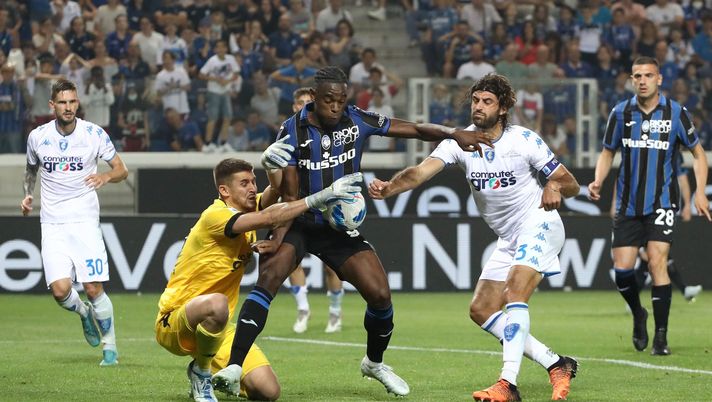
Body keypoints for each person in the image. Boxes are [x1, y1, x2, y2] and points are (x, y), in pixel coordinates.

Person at [212, 66, 492, 397]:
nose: (335, 107)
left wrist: (453, 132)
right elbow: (288, 194)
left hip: (338, 227)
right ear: (314, 98)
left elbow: (414, 129)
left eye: (341, 100)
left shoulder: (356, 119)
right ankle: (233, 366)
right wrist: (276, 238)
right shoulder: (291, 131)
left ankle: (374, 363)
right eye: (329, 100)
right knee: (269, 277)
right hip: (302, 222)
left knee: (380, 295)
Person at [369, 73, 580, 401]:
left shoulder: (523, 140)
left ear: (503, 108)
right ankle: (557, 364)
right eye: (476, 100)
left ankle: (507, 385)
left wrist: (553, 185)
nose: (478, 107)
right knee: (481, 309)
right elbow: (420, 172)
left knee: (514, 294)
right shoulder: (459, 141)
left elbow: (570, 183)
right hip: (509, 237)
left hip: (540, 223)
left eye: (487, 102)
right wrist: (389, 187)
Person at [155, 153, 362, 402]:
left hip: (217, 327)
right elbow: (271, 217)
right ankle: (202, 373)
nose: (252, 188)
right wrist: (320, 197)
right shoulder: (215, 215)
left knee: (268, 391)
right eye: (244, 183)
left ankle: (204, 366)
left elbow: (276, 189)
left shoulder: (248, 208)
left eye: (253, 181)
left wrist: (274, 159)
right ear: (224, 190)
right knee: (218, 304)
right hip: (176, 320)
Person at [588, 56, 711, 356]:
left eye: (648, 75)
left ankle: (661, 336)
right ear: (632, 80)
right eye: (636, 76)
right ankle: (638, 314)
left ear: (659, 79)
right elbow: (607, 153)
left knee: (657, 262)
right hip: (628, 205)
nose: (642, 80)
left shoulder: (676, 113)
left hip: (662, 202)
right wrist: (598, 181)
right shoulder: (620, 113)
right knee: (623, 272)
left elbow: (698, 154)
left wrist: (699, 193)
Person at [21, 79, 129, 366]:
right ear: (52, 105)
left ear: (77, 103)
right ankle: (84, 314)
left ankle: (110, 349)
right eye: (63, 102)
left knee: (93, 287)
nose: (68, 107)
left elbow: (121, 169)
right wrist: (27, 196)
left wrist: (105, 177)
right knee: (59, 291)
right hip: (53, 223)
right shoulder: (37, 136)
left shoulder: (94, 134)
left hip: (84, 221)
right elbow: (31, 170)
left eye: (72, 102)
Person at [285, 86, 345, 334]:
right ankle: (303, 310)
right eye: (300, 103)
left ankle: (335, 314)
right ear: (294, 107)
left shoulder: (328, 134)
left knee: (332, 266)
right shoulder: (287, 134)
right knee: (292, 261)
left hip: (328, 206)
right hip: (297, 205)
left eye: (309, 102)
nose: (304, 107)